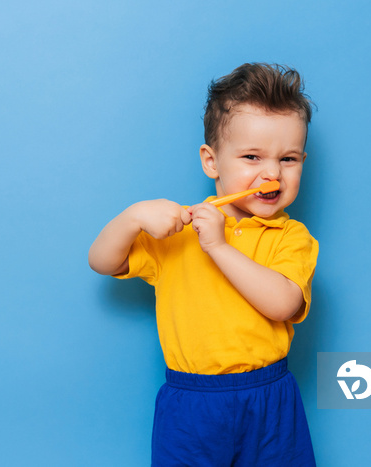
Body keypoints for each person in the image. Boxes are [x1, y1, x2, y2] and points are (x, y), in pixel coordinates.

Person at [88, 62, 319, 466]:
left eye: (288, 159)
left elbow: (283, 304)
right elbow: (102, 262)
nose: (271, 173)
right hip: (191, 405)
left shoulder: (292, 238)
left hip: (268, 398)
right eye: (252, 156)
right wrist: (132, 217)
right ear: (211, 162)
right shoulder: (178, 230)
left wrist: (219, 247)